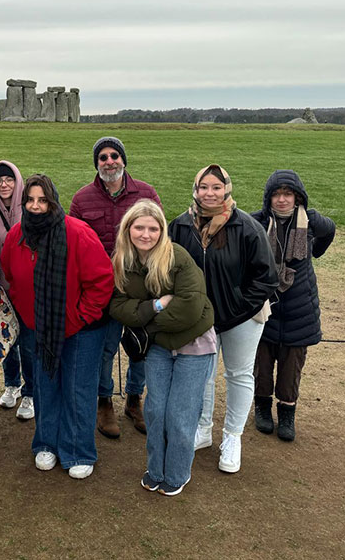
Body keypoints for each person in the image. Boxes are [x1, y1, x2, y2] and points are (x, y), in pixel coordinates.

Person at [1, 174, 114, 479]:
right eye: (30, 200)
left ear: (53, 202)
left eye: (43, 200)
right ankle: (46, 444)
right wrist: (30, 315)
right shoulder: (17, 235)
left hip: (83, 328)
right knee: (45, 385)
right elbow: (11, 276)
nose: (36, 206)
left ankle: (78, 450)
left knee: (78, 388)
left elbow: (102, 281)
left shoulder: (77, 232)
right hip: (39, 326)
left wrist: (77, 317)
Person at [169, 164, 278, 473]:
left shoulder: (246, 226)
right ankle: (202, 428)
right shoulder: (179, 225)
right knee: (200, 374)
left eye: (216, 187)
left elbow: (266, 277)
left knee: (239, 374)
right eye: (204, 187)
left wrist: (237, 305)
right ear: (195, 189)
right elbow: (167, 267)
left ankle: (232, 437)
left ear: (226, 189)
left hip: (242, 317)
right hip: (198, 317)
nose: (210, 193)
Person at [109, 200, 216, 496]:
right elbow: (117, 306)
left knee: (180, 414)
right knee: (156, 410)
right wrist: (156, 304)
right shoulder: (122, 261)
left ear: (162, 231)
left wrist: (147, 324)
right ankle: (156, 469)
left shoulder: (177, 256)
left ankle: (178, 472)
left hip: (194, 343)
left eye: (153, 228)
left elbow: (190, 307)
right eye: (139, 227)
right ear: (128, 229)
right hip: (157, 346)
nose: (146, 234)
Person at [69, 136, 162, 439]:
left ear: (124, 159)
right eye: (103, 158)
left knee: (141, 346)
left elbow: (161, 238)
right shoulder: (82, 199)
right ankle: (104, 401)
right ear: (96, 164)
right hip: (101, 288)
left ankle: (135, 400)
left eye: (114, 156)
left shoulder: (145, 193)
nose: (109, 162)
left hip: (140, 286)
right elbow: (75, 244)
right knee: (105, 348)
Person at [250, 170, 335, 441]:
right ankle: (262, 409)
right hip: (265, 303)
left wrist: (317, 250)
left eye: (288, 194)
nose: (282, 200)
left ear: (298, 197)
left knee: (291, 367)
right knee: (262, 363)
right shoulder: (257, 222)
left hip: (300, 304)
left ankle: (287, 413)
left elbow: (329, 230)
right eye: (276, 194)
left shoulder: (311, 221)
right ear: (268, 198)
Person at [0, 160, 34, 420]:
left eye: (9, 179)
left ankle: (30, 392)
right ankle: (12, 384)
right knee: (5, 339)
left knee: (28, 342)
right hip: (1, 289)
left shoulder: (30, 208)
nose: (4, 185)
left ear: (18, 181)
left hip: (27, 289)